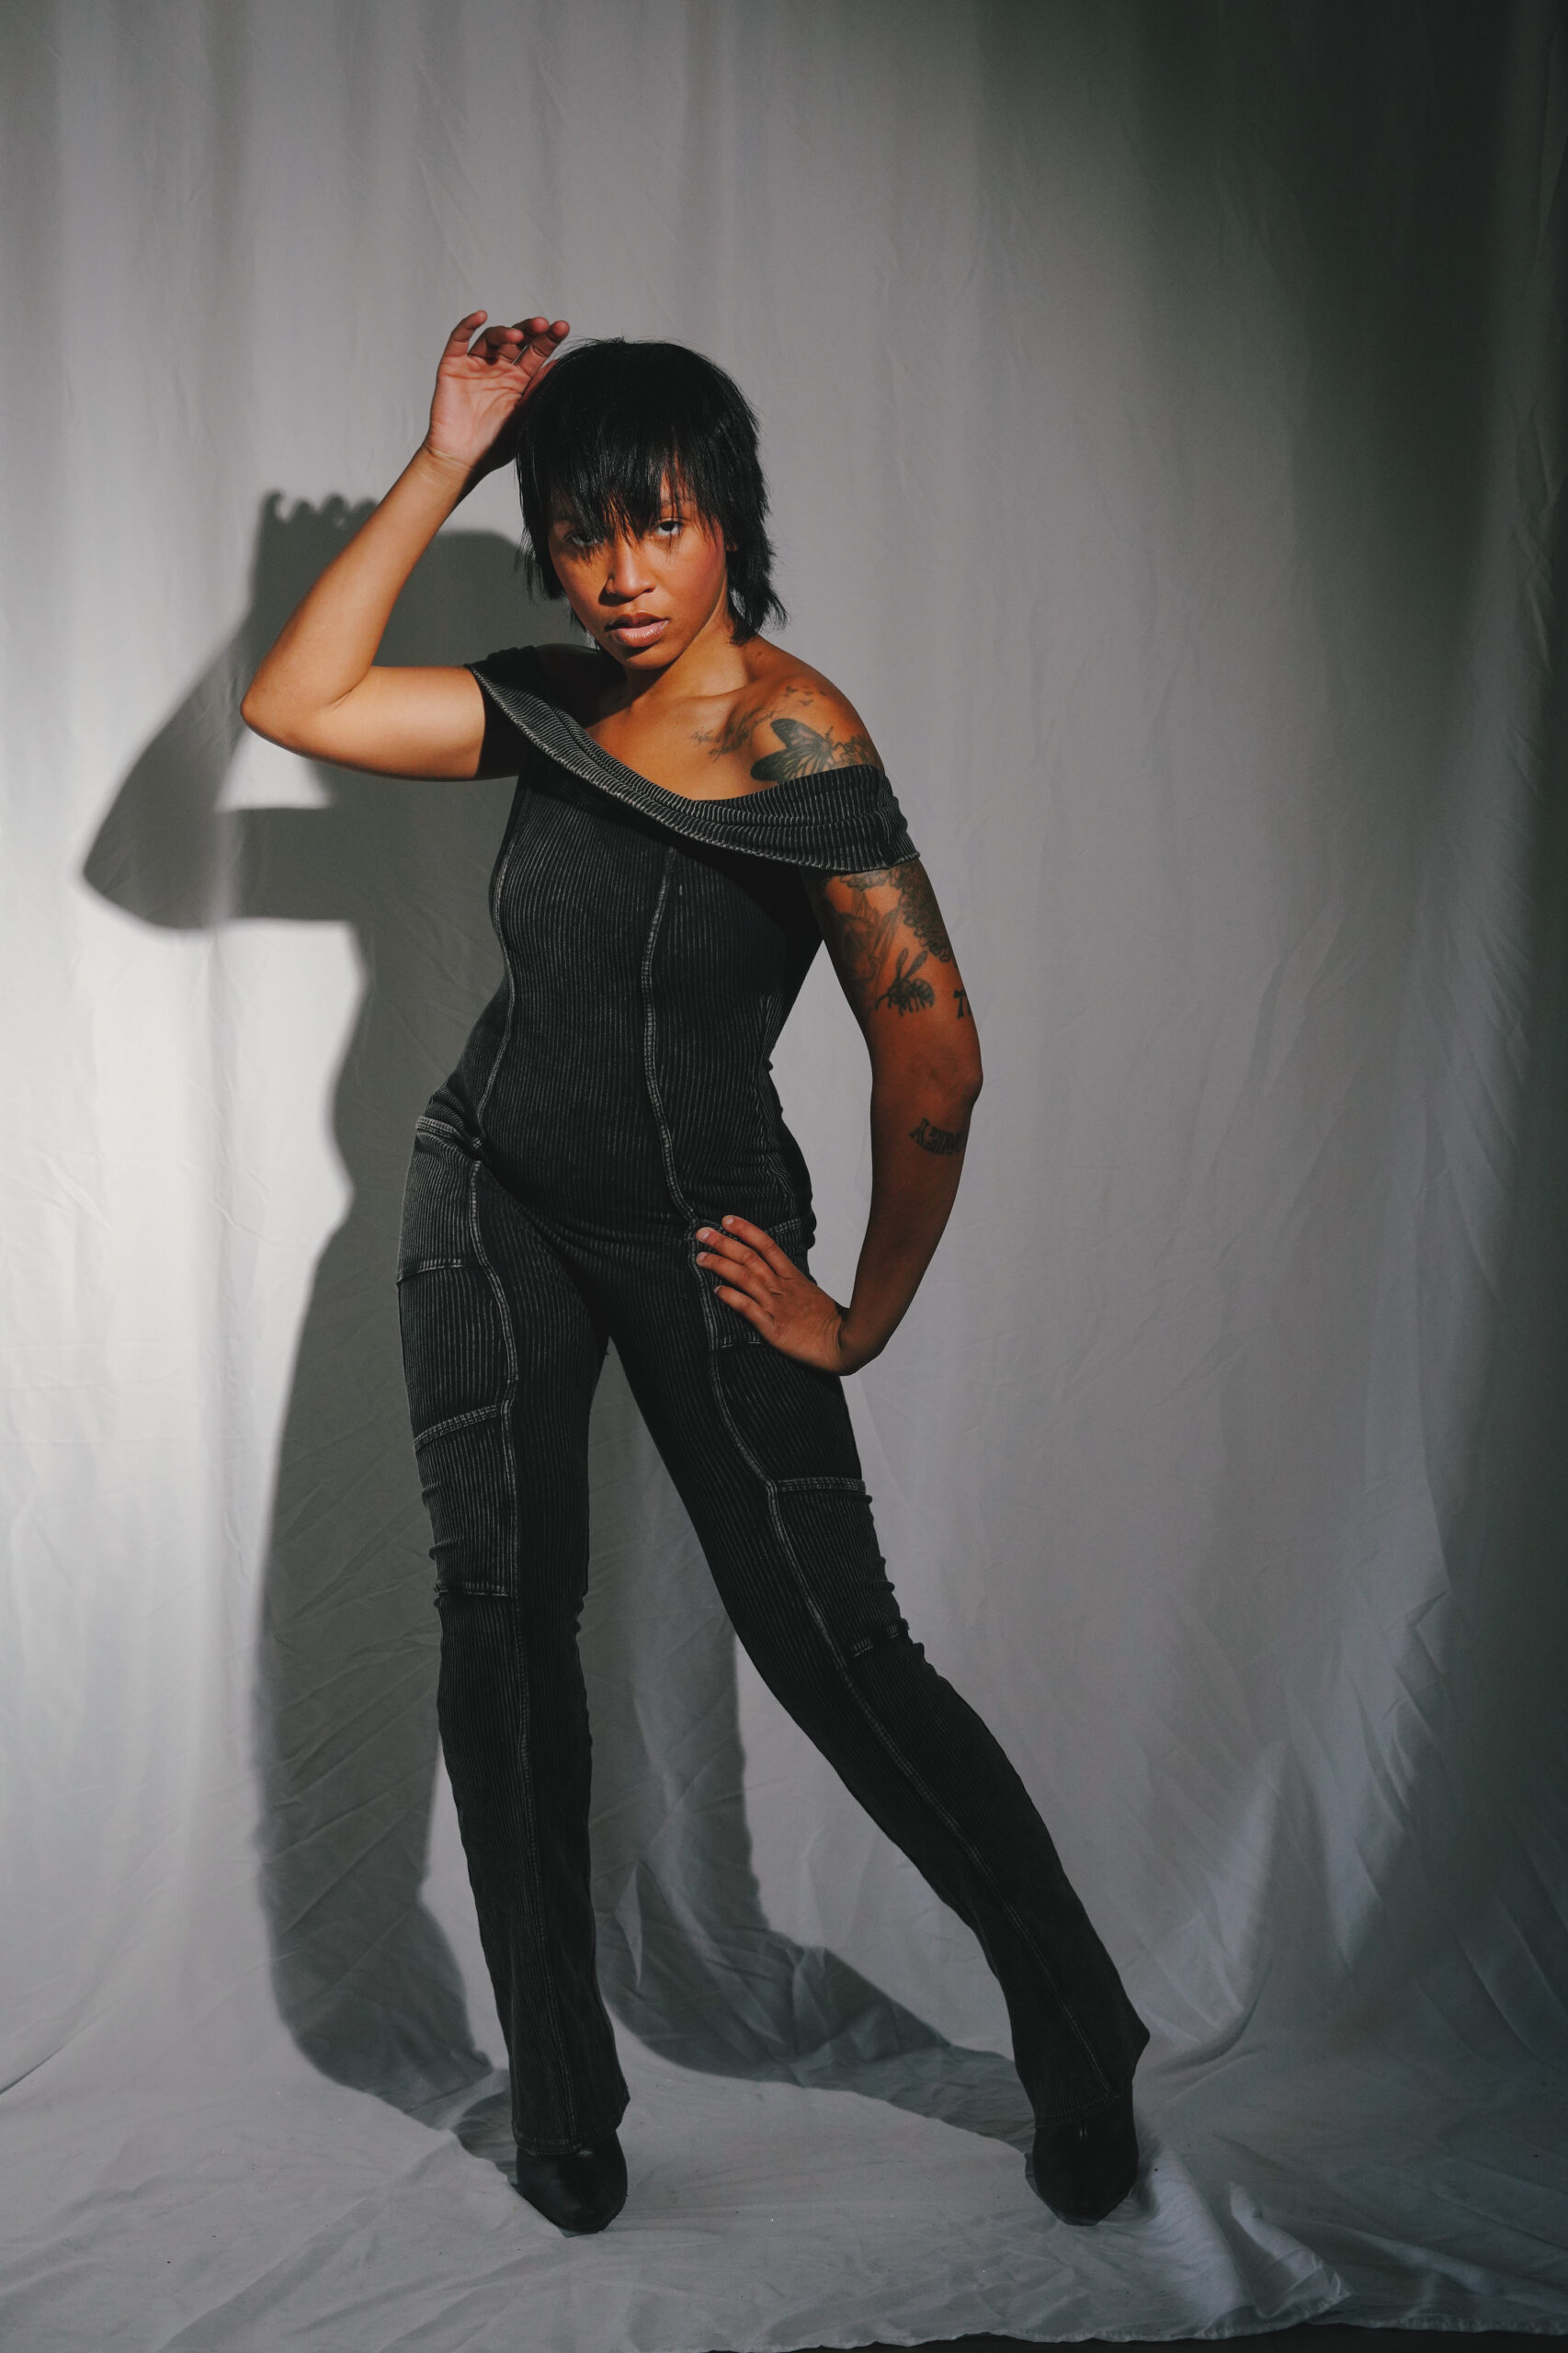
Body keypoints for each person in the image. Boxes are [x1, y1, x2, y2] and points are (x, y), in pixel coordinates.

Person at [242, 311, 1148, 2235]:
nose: (619, 573)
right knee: (499, 1627)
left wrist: (861, 1312)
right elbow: (295, 704)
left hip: (703, 1228)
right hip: (487, 1189)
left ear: (728, 518)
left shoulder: (793, 737)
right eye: (580, 533)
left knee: (835, 1651)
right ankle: (564, 2095)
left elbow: (935, 1055)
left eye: (656, 523)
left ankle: (1082, 2030)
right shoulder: (551, 706)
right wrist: (447, 460)